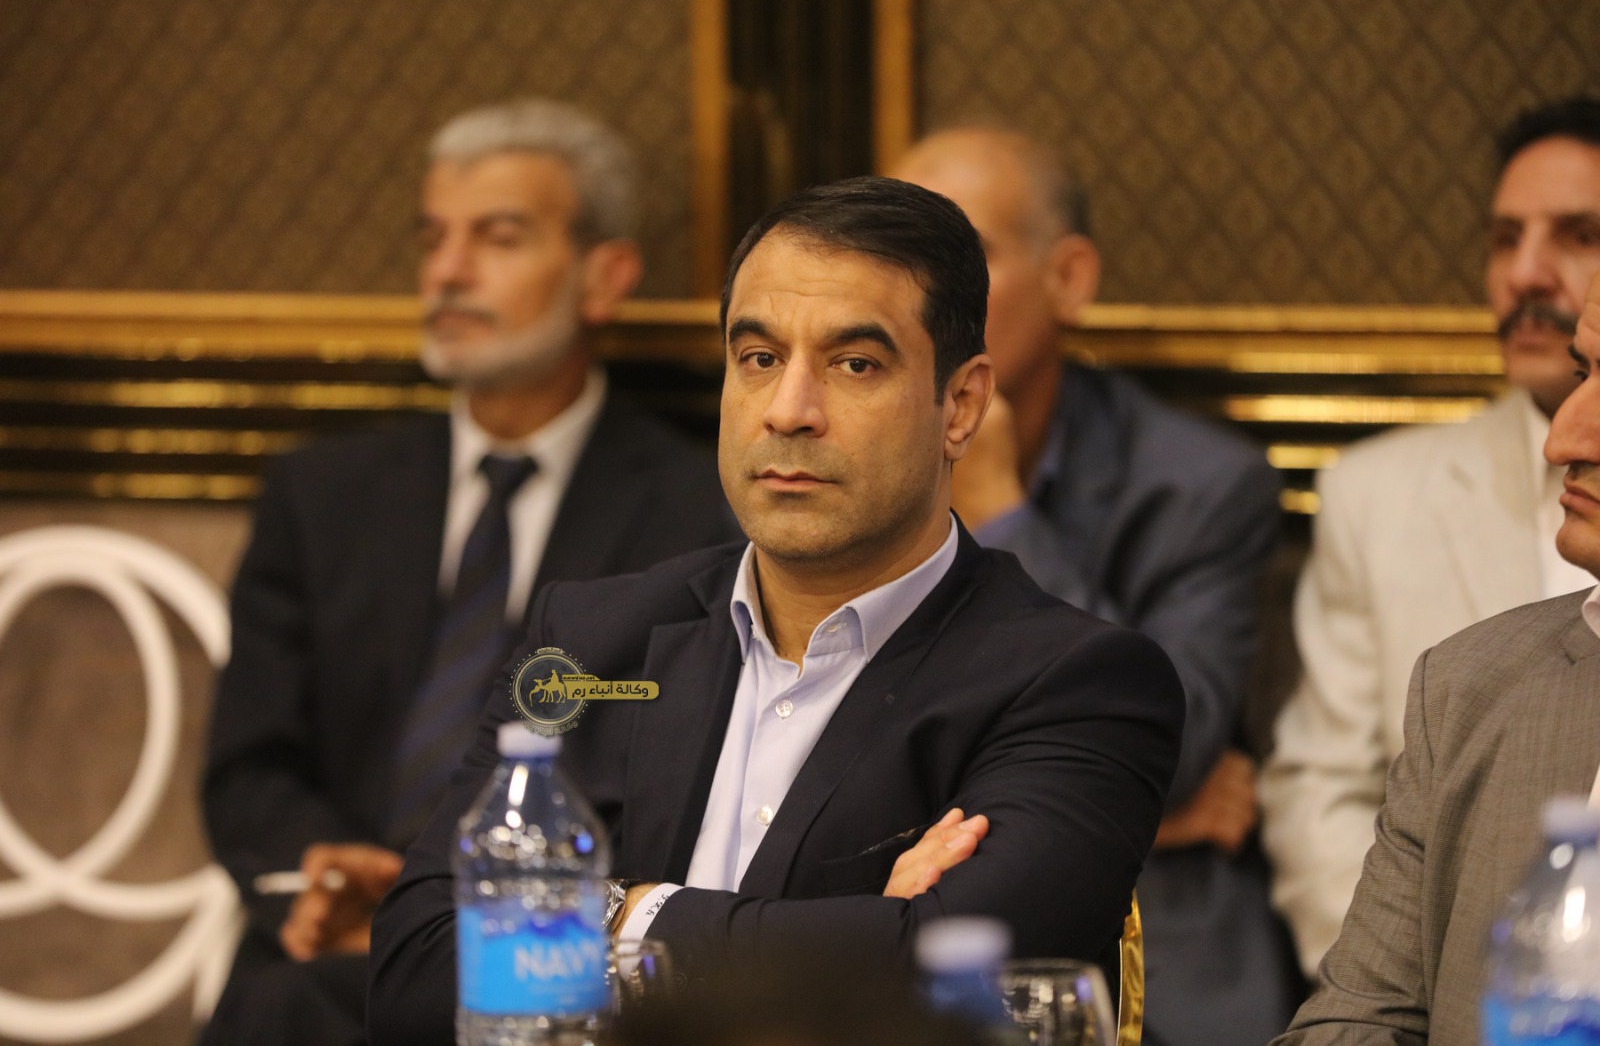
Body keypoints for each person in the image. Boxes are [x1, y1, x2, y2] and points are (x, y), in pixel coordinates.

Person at [367, 176, 1186, 1044]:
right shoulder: (591, 641)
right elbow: (416, 971)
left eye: (855, 364)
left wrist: (607, 914)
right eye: (759, 359)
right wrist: (860, 935)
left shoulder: (1074, 684)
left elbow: (961, 983)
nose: (789, 412)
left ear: (961, 405)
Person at [200, 98, 740, 1046]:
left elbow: (680, 778)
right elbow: (249, 765)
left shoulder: (701, 514)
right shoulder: (322, 496)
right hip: (330, 951)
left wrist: (487, 904)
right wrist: (332, 875)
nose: (448, 271)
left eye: (498, 238)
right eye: (433, 239)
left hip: (554, 959)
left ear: (604, 278)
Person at [890, 128, 1298, 1046]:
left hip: (1139, 950)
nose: (916, 292)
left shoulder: (1199, 485)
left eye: (961, 255)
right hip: (892, 920)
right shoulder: (818, 462)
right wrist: (1145, 816)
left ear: (1069, 278)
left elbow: (1170, 749)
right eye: (896, 256)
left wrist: (999, 511)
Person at [1261, 95, 1600, 980]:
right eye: (1504, 239)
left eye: (1580, 235)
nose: (1526, 273)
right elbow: (1320, 793)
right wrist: (1417, 991)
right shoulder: (1377, 494)